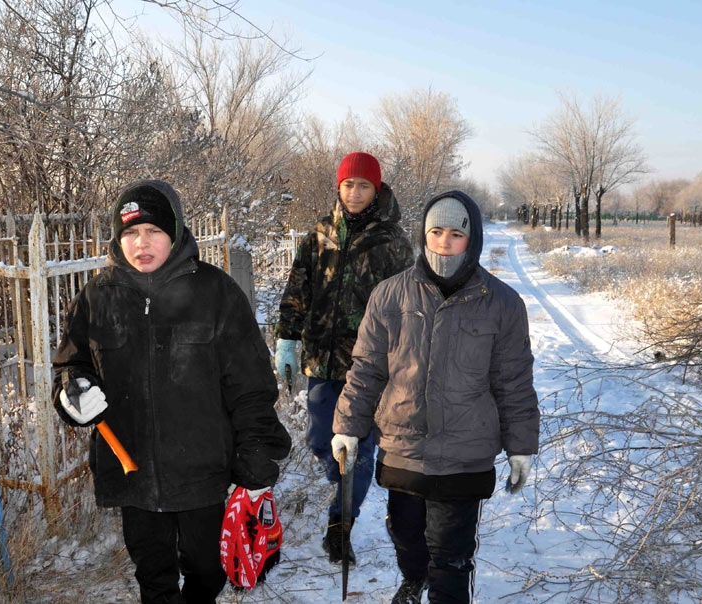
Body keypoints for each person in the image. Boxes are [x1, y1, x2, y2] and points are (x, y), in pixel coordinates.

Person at [52, 180, 291, 604]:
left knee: (206, 568)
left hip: (202, 471)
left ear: (176, 232)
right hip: (132, 472)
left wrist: (256, 456)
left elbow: (252, 385)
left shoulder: (215, 293)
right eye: (129, 233)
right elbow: (71, 366)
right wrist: (74, 394)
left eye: (153, 232)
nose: (141, 243)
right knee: (153, 575)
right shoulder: (95, 298)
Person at [331, 191, 540, 604]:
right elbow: (367, 369)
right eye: (436, 231)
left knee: (451, 554)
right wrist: (347, 427)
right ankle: (413, 578)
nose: (444, 242)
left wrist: (521, 447)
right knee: (408, 536)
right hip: (403, 447)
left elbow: (513, 381)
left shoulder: (502, 304)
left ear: (473, 238)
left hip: (465, 453)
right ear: (423, 236)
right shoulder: (390, 295)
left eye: (456, 233)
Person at [273, 152, 414, 564]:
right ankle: (344, 485)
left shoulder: (393, 243)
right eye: (348, 184)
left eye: (363, 185)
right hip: (321, 359)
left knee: (360, 449)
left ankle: (341, 524)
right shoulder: (318, 234)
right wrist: (287, 339)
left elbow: (407, 307)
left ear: (376, 190)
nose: (354, 193)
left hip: (371, 367)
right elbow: (297, 289)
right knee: (321, 440)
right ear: (339, 187)